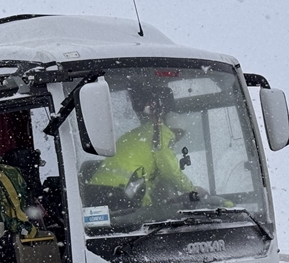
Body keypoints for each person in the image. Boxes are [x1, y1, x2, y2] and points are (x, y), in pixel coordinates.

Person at [87, 82, 203, 211]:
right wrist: (192, 190)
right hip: (121, 192)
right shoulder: (161, 133)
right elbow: (169, 169)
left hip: (95, 190)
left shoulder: (138, 133)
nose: (177, 139)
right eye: (179, 134)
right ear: (174, 129)